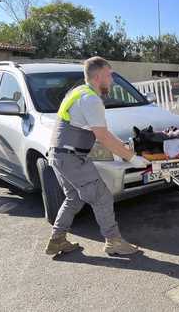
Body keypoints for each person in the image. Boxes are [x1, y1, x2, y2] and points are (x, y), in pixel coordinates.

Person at [45, 56, 151, 256]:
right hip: (71, 158)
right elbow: (102, 136)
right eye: (109, 75)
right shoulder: (91, 99)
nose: (111, 80)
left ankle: (57, 239)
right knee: (102, 197)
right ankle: (113, 241)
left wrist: (124, 148)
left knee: (74, 198)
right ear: (99, 75)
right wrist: (132, 158)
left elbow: (98, 133)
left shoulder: (77, 92)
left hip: (59, 155)